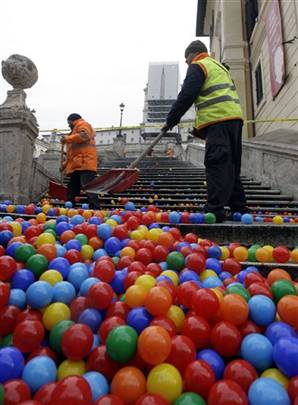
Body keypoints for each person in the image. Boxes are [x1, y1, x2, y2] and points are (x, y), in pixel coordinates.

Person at [162, 40, 249, 222]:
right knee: (232, 165)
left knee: (216, 163)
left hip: (218, 121)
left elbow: (187, 95)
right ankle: (239, 208)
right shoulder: (219, 67)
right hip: (235, 120)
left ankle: (214, 210)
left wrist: (171, 120)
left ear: (193, 54)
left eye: (187, 60)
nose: (187, 63)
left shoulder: (198, 66)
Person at [62, 113, 100, 209]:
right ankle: (69, 208)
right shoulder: (74, 131)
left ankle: (95, 210)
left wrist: (67, 138)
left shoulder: (82, 124)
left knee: (89, 189)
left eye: (68, 123)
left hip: (86, 164)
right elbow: (71, 155)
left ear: (72, 120)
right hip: (77, 166)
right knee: (72, 189)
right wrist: (64, 166)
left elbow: (84, 135)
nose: (68, 125)